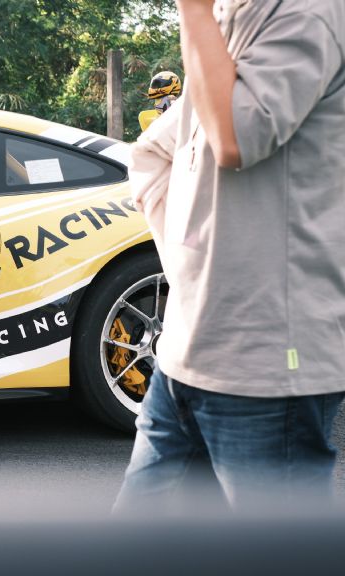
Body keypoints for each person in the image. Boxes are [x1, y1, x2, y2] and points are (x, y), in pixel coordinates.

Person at [116, 0, 345, 514]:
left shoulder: (309, 12)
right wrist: (193, 272)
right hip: (183, 357)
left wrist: (193, 10)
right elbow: (151, 154)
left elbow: (237, 137)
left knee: (277, 550)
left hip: (266, 367)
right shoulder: (226, 18)